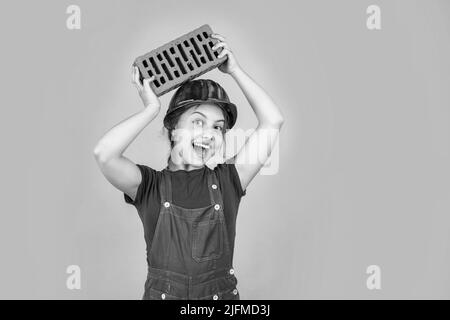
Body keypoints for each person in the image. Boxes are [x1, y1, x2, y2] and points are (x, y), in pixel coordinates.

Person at [93, 33, 284, 300]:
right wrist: (151, 109)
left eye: (218, 127)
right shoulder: (148, 186)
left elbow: (272, 120)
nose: (209, 133)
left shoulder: (230, 180)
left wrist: (235, 71)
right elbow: (104, 154)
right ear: (172, 128)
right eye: (197, 121)